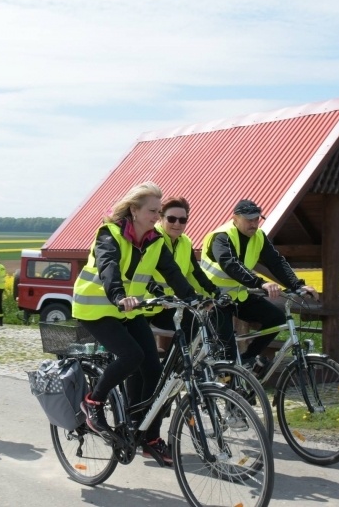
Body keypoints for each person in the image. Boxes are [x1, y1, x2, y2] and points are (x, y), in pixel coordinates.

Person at [73, 182, 198, 466]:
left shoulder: (154, 241)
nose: (157, 216)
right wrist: (119, 296)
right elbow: (109, 268)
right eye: (153, 211)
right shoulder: (110, 234)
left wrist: (194, 299)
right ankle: (93, 401)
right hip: (96, 309)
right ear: (134, 210)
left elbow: (173, 274)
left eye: (158, 211)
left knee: (154, 370)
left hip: (129, 311)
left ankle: (147, 436)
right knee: (132, 356)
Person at [200, 198, 319, 372]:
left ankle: (248, 359)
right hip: (214, 299)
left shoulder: (259, 237)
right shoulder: (221, 236)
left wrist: (297, 285)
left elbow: (276, 262)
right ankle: (227, 383)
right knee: (228, 354)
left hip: (238, 296)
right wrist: (260, 283)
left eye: (256, 219)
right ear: (235, 218)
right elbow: (230, 264)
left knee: (276, 319)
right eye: (249, 219)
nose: (254, 223)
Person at [145, 197, 220, 343]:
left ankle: (177, 358)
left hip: (168, 306)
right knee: (142, 351)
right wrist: (158, 294)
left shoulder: (186, 242)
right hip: (143, 304)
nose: (177, 224)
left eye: (182, 220)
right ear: (161, 218)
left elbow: (194, 273)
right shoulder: (151, 237)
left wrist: (214, 293)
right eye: (171, 219)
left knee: (193, 325)